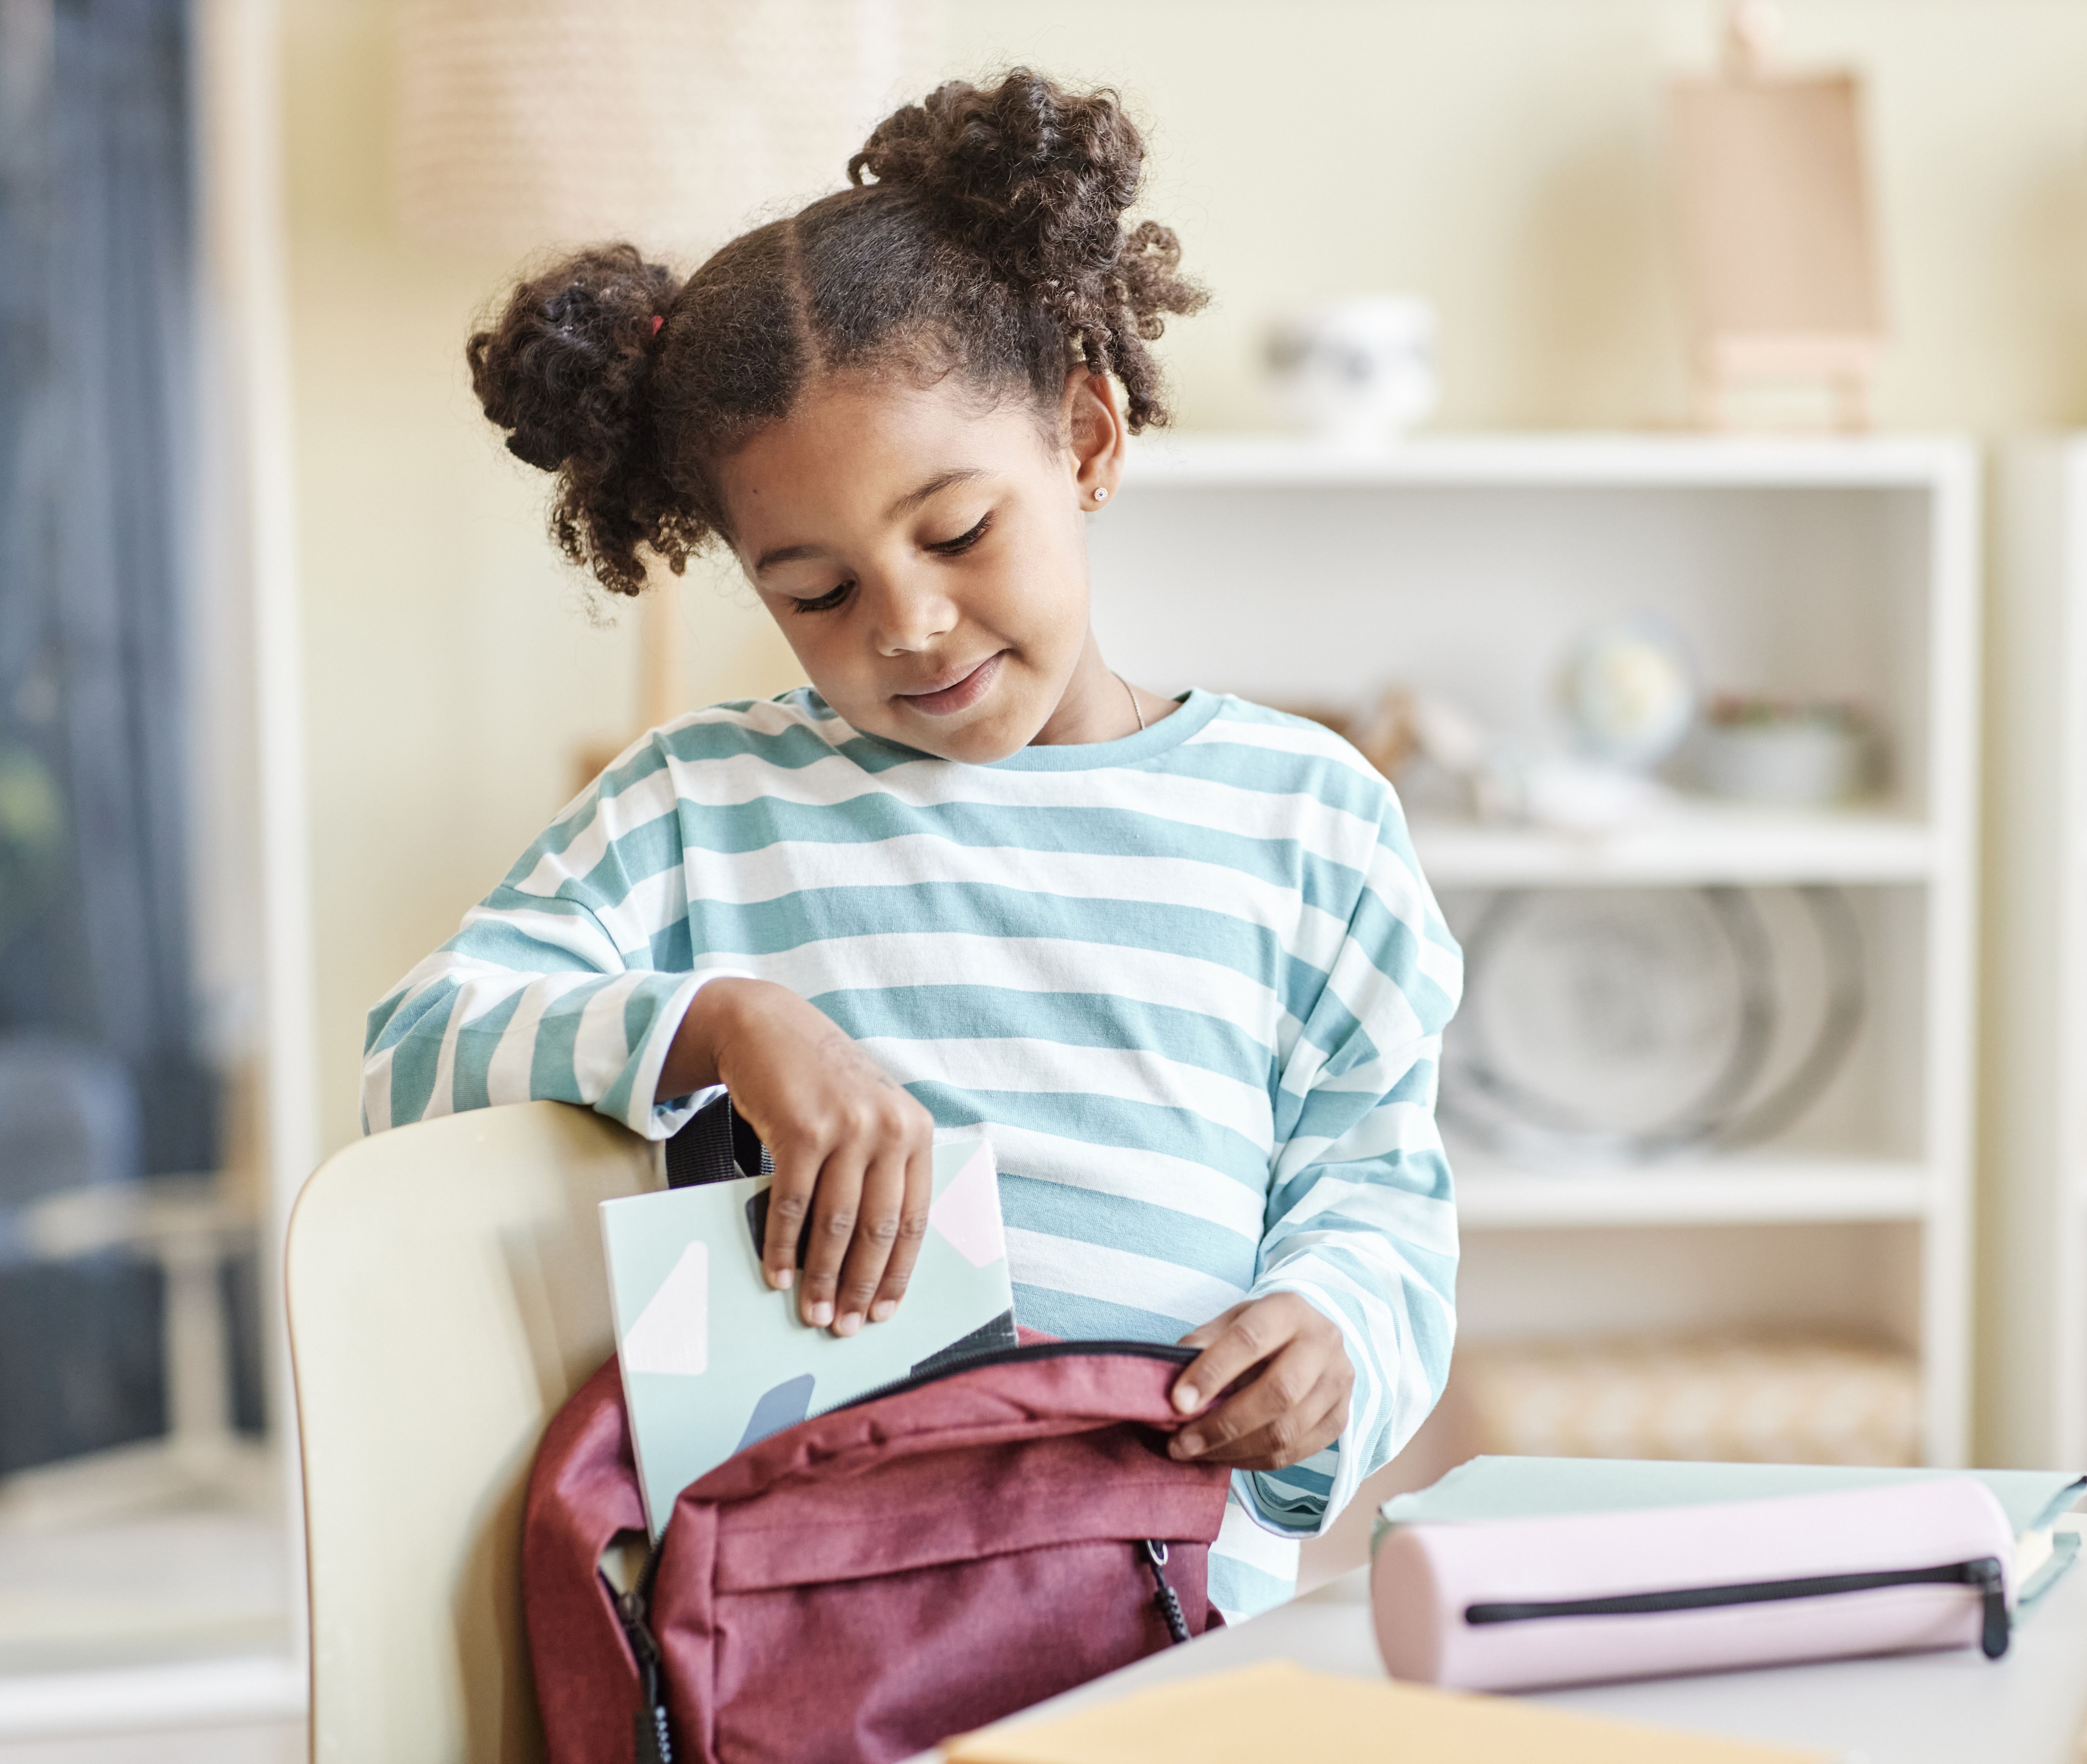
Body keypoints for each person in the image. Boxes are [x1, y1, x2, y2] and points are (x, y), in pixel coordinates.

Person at [360, 71, 1461, 1620]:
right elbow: (412, 1050)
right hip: (809, 1629)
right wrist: (720, 1023)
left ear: (1084, 442)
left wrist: (1335, 1335)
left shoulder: (1311, 818)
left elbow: (1377, 1186)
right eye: (817, 592)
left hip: (1181, 1604)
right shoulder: (699, 807)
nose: (912, 624)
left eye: (957, 534)